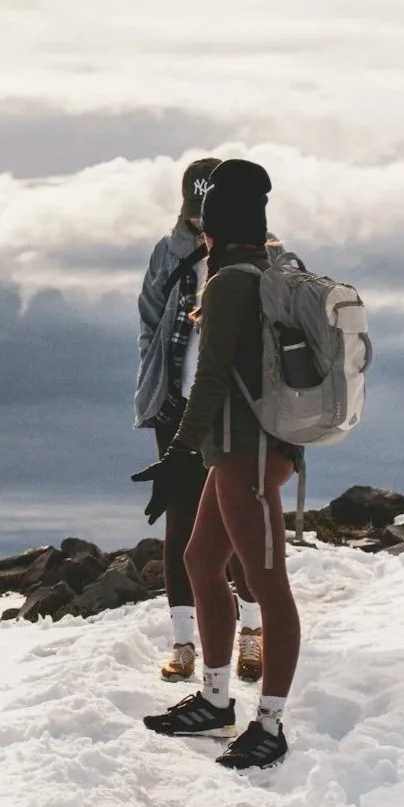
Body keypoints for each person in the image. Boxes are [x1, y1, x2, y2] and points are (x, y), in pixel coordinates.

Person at [131, 158, 302, 771]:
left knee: (267, 583)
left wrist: (179, 454)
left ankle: (271, 724)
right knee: (202, 560)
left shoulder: (231, 283)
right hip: (249, 450)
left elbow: (208, 383)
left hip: (245, 453)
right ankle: (214, 698)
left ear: (215, 226)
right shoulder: (271, 272)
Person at [133, 158, 264, 687]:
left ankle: (251, 631)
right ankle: (183, 642)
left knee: (240, 526)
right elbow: (148, 321)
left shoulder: (261, 255)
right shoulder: (168, 255)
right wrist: (158, 384)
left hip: (238, 413)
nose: (198, 225)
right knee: (182, 519)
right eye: (192, 215)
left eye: (204, 215)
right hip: (179, 407)